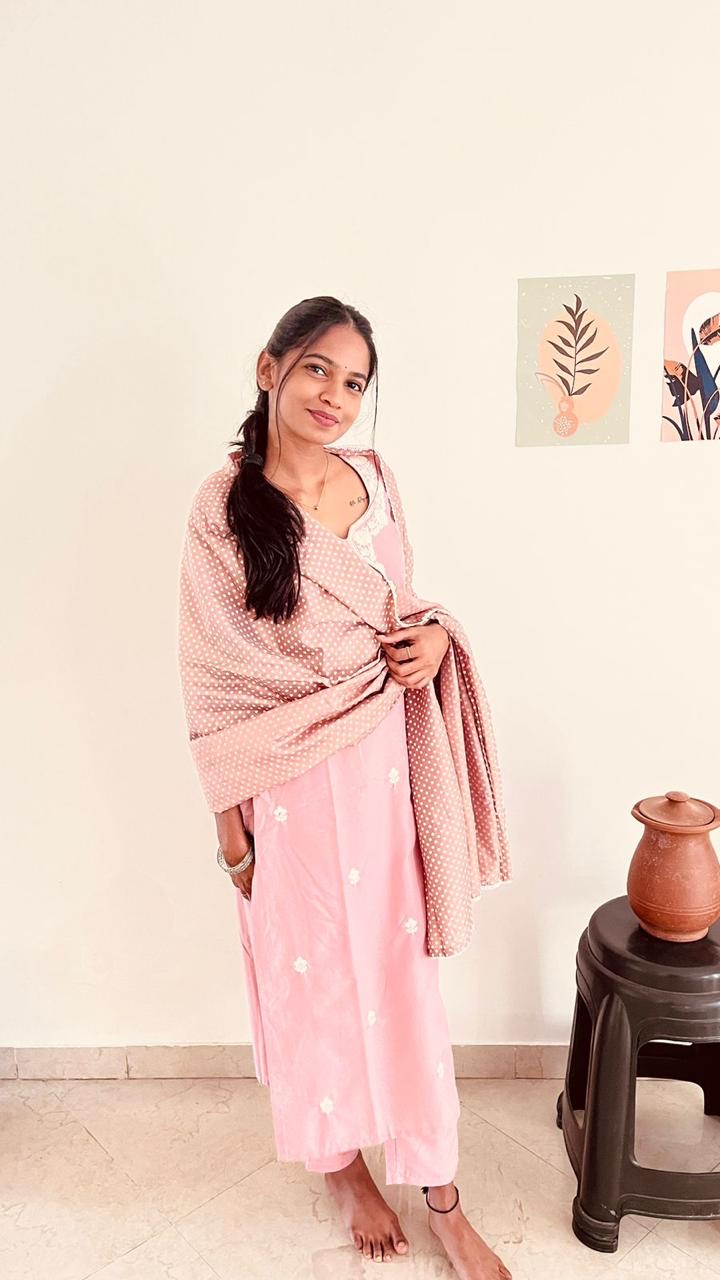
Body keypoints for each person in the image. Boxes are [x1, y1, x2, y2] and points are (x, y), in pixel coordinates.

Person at [177, 295, 513, 1277]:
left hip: (391, 775)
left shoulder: (376, 477)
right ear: (269, 368)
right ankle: (343, 1166)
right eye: (318, 368)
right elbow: (212, 676)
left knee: (405, 982)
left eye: (355, 381)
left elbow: (402, 604)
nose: (335, 395)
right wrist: (229, 829)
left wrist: (436, 638)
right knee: (311, 976)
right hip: (288, 789)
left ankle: (442, 1194)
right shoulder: (223, 506)